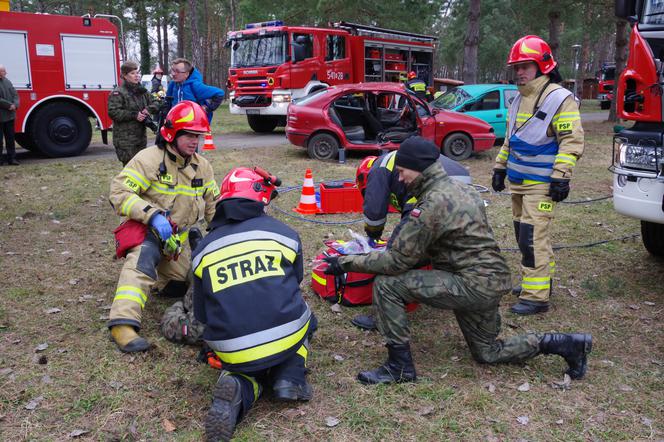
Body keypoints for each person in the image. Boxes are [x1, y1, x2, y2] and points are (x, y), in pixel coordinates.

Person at [323, 137, 592, 385]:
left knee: (387, 284)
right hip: (491, 280)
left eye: (403, 171)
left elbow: (395, 263)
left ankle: (399, 367)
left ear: (418, 169)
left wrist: (344, 262)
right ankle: (565, 343)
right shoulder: (463, 190)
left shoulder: (430, 206)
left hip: (470, 284)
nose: (401, 179)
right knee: (488, 352)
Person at [191, 167, 315, 441]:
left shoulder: (202, 250)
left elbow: (201, 314)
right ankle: (290, 378)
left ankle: (241, 385)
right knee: (308, 319)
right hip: (286, 335)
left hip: (232, 349)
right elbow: (294, 284)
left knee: (246, 370)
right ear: (260, 199)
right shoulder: (285, 234)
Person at [107, 101, 220, 353]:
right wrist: (152, 215)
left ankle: (161, 279)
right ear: (171, 133)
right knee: (144, 259)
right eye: (189, 135)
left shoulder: (202, 166)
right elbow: (119, 192)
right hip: (149, 231)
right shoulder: (149, 160)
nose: (194, 141)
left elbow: (214, 206)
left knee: (184, 283)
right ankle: (123, 323)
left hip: (176, 243)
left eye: (198, 136)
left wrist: (226, 231)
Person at [491, 35, 584, 315]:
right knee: (524, 235)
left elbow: (571, 140)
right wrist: (499, 167)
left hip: (541, 184)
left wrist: (561, 176)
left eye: (525, 66)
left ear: (542, 65)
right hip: (519, 182)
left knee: (533, 237)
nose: (519, 72)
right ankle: (537, 281)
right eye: (516, 67)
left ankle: (536, 296)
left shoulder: (559, 98)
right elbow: (510, 139)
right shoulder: (519, 99)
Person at [351, 143, 472, 330]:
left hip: (436, 187)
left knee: (397, 254)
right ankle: (452, 291)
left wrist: (373, 235)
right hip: (461, 179)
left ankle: (384, 314)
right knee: (445, 242)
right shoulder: (397, 163)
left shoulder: (377, 169)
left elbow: (374, 210)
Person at [108, 61, 159, 166]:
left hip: (140, 138)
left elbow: (157, 102)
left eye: (137, 73)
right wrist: (134, 115)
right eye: (132, 73)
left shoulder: (142, 92)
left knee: (141, 168)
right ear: (125, 76)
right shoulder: (118, 92)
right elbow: (113, 112)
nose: (137, 76)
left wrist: (149, 109)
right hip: (125, 140)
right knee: (129, 169)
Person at [166, 58, 225, 123]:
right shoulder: (172, 84)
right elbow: (168, 102)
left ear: (186, 74)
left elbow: (219, 93)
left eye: (177, 71)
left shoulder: (195, 85)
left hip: (193, 124)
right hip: (175, 122)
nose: (173, 74)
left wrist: (208, 108)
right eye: (173, 71)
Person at [0, 64, 19, 166]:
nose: (5, 73)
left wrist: (15, 104)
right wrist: (9, 105)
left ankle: (12, 159)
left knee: (10, 138)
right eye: (3, 71)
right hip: (1, 116)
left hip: (10, 116)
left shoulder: (7, 81)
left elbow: (15, 94)